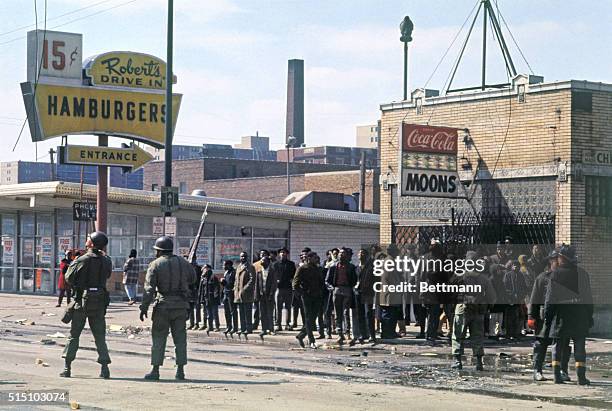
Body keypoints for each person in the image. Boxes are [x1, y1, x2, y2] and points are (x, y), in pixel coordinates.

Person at [139, 236, 195, 381]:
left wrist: (144, 307)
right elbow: (193, 279)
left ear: (159, 250)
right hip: (180, 306)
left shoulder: (155, 264)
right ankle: (180, 370)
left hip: (163, 305)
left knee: (158, 339)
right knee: (180, 339)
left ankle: (156, 370)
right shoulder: (183, 263)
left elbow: (149, 289)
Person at [60, 232, 112, 379]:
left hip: (82, 302)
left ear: (92, 243)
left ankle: (67, 367)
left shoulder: (81, 259)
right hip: (99, 302)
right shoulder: (107, 260)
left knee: (74, 335)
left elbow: (68, 278)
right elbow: (107, 275)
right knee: (100, 336)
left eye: (89, 238)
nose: (86, 240)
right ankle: (105, 368)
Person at [545, 244, 594, 386]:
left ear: (562, 258)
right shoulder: (583, 274)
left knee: (558, 345)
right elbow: (588, 299)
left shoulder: (555, 274)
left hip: (561, 315)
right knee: (580, 346)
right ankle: (581, 377)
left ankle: (556, 376)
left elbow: (550, 299)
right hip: (580, 315)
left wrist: (548, 318)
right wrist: (589, 316)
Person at [451, 250, 497, 371]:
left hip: (462, 309)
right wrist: (486, 307)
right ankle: (478, 362)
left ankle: (457, 361)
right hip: (478, 311)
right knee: (477, 336)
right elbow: (492, 297)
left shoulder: (459, 276)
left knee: (458, 335)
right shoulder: (484, 278)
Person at [528, 248, 558, 382]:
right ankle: (537, 370)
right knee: (541, 344)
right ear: (551, 261)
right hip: (544, 317)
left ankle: (561, 371)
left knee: (561, 344)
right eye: (556, 260)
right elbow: (534, 299)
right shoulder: (542, 278)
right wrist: (531, 317)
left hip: (560, 316)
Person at [293, 251, 324, 348]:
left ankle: (301, 335)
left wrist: (320, 292)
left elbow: (321, 282)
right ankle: (311, 340)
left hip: (317, 296)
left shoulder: (318, 268)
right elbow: (295, 284)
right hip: (307, 296)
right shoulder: (302, 268)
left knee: (312, 318)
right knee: (308, 317)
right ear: (309, 258)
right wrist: (303, 293)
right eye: (314, 258)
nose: (316, 259)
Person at [326, 248, 357, 344]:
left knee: (345, 312)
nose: (341, 255)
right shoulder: (334, 266)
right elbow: (327, 280)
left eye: (343, 254)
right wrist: (331, 288)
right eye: (340, 254)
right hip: (337, 289)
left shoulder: (351, 267)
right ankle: (340, 333)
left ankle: (347, 332)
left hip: (347, 289)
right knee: (337, 312)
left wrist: (352, 287)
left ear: (347, 256)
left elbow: (354, 279)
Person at [503, 260, 528, 339]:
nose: (516, 267)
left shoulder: (520, 275)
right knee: (509, 317)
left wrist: (521, 296)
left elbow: (524, 287)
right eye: (514, 265)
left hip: (518, 299)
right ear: (511, 266)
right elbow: (505, 287)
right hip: (510, 299)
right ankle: (509, 333)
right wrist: (510, 295)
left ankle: (516, 332)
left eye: (517, 265)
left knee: (518, 316)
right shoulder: (508, 275)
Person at [355, 248, 376, 343]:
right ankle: (363, 334)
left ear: (366, 256)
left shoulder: (371, 267)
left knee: (368, 314)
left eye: (363, 253)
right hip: (358, 293)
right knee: (360, 314)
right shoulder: (356, 268)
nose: (361, 255)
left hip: (368, 293)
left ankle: (372, 335)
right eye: (359, 253)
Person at [255, 253, 278, 338]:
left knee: (269, 313)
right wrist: (256, 295)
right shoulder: (259, 272)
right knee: (262, 313)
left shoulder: (272, 271)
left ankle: (271, 329)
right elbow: (257, 284)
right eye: (261, 260)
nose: (261, 262)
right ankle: (264, 329)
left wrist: (271, 293)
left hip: (269, 295)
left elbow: (274, 284)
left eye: (263, 261)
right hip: (261, 295)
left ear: (268, 262)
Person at [273, 248, 296, 331]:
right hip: (278, 288)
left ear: (287, 254)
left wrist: (292, 281)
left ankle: (287, 323)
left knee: (288, 307)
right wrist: (276, 281)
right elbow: (272, 276)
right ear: (279, 254)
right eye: (281, 252)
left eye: (284, 252)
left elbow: (294, 275)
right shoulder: (275, 264)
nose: (283, 254)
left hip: (288, 288)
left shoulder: (291, 264)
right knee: (278, 307)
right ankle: (278, 324)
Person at [234, 251, 256, 338]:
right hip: (238, 293)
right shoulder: (239, 266)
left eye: (244, 256)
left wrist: (245, 289)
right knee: (241, 312)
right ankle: (243, 328)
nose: (242, 258)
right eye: (241, 256)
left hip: (246, 293)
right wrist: (235, 289)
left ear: (247, 257)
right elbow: (236, 280)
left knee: (247, 312)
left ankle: (248, 328)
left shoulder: (250, 267)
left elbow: (252, 279)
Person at [199, 264, 221, 333]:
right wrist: (202, 299)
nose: (203, 269)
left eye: (205, 268)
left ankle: (217, 326)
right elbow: (202, 290)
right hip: (206, 299)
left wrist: (215, 297)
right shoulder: (204, 278)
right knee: (209, 314)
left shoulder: (213, 277)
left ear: (208, 269)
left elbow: (217, 288)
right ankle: (210, 326)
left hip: (213, 299)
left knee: (215, 313)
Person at [221, 260, 239, 337]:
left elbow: (234, 283)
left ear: (229, 265)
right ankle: (228, 326)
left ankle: (235, 327)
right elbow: (225, 284)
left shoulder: (234, 272)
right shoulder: (226, 273)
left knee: (233, 311)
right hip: (226, 293)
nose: (223, 266)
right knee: (226, 311)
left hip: (231, 294)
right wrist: (222, 281)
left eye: (225, 265)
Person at [187, 257, 203, 330]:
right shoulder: (186, 268)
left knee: (197, 308)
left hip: (197, 290)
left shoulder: (199, 269)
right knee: (190, 308)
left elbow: (200, 280)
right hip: (189, 290)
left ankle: (197, 323)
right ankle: (191, 323)